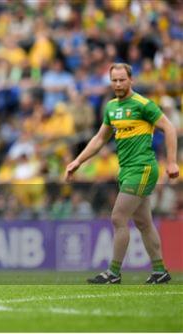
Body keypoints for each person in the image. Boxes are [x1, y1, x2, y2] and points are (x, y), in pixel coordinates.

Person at [65, 63, 179, 284]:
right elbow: (100, 138)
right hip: (126, 170)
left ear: (131, 80)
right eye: (114, 80)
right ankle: (160, 271)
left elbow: (170, 128)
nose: (118, 84)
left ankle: (113, 273)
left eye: (122, 80)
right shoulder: (111, 107)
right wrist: (78, 161)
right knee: (144, 222)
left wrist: (172, 162)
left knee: (118, 217)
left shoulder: (143, 104)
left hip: (143, 168)